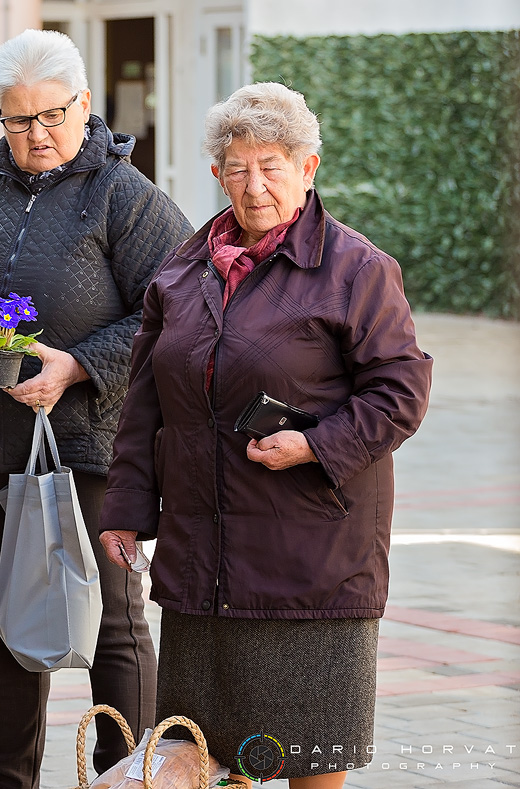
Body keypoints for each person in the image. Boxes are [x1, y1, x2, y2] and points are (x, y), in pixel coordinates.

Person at [99, 83, 433, 788]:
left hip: (311, 570)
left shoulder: (356, 270)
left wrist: (314, 443)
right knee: (204, 758)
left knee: (307, 765)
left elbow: (402, 390)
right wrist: (127, 510)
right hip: (204, 568)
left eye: (272, 164)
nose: (254, 185)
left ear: (308, 169)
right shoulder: (182, 272)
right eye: (238, 166)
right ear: (217, 174)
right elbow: (146, 402)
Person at [0, 29, 192, 788]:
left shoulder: (124, 195)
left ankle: (127, 774)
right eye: (17, 120)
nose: (35, 135)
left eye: (51, 117)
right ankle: (11, 778)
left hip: (92, 443)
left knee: (115, 625)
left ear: (85, 104)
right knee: (2, 621)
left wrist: (77, 364)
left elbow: (178, 312)